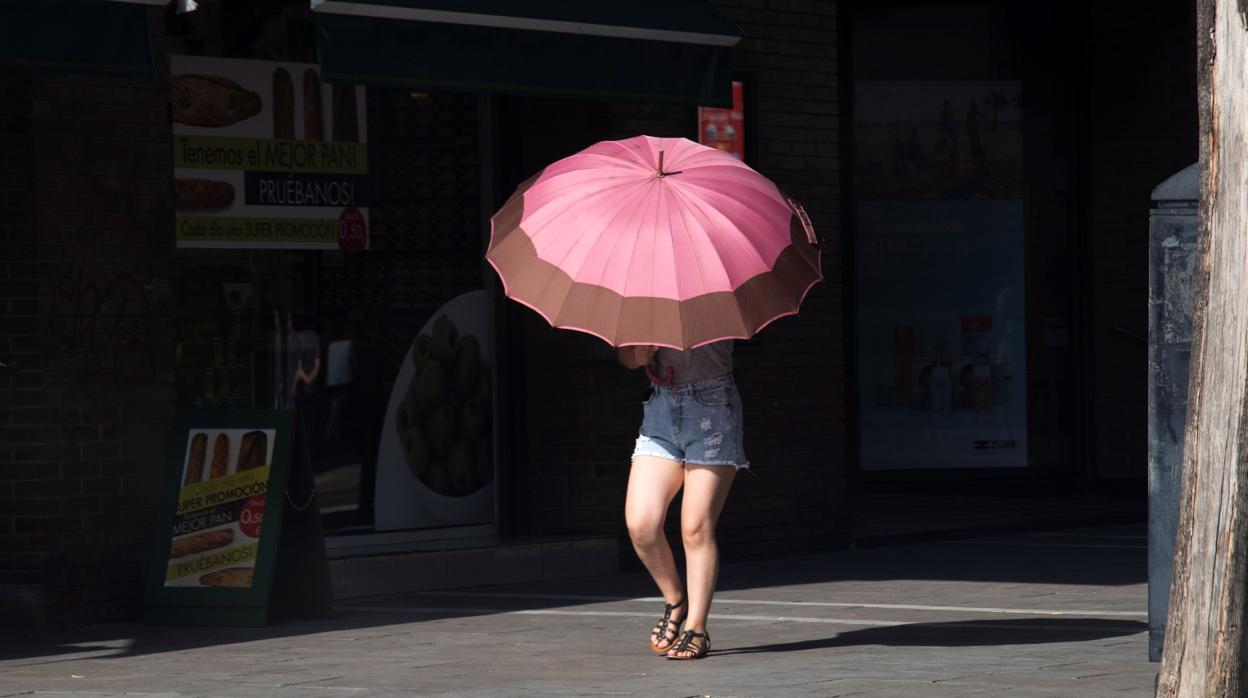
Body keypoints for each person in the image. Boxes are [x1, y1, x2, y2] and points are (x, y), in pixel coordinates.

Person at [616, 340, 747, 660]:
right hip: (660, 411)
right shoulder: (646, 301)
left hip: (712, 408)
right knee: (641, 524)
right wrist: (635, 357)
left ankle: (697, 628)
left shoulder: (715, 297)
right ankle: (675, 600)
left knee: (696, 526)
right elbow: (623, 355)